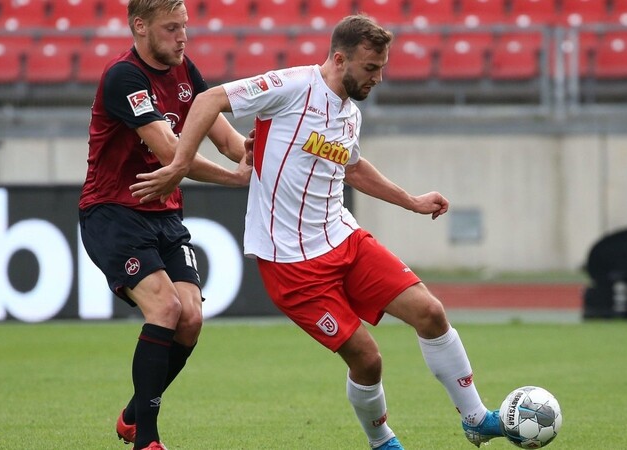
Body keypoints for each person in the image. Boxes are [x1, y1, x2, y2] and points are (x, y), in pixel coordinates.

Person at [130, 14, 503, 449]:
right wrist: (179, 166)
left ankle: (475, 417)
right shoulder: (291, 86)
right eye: (370, 68)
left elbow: (353, 167)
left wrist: (413, 201)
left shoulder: (348, 111)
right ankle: (382, 441)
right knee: (368, 360)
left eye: (382, 68)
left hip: (344, 238)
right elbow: (209, 99)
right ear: (340, 59)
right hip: (292, 264)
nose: (378, 78)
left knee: (431, 313)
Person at [78, 1, 252, 449]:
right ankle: (147, 440)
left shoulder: (184, 69)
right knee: (166, 309)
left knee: (191, 318)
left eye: (185, 28)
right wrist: (234, 178)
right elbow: (171, 154)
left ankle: (134, 414)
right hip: (114, 210)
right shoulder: (125, 77)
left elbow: (228, 139)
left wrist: (258, 154)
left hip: (164, 213)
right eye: (172, 28)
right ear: (140, 27)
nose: (183, 38)